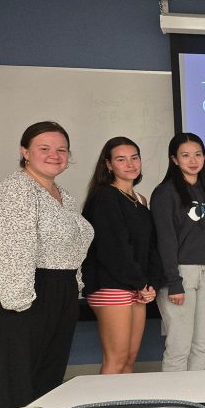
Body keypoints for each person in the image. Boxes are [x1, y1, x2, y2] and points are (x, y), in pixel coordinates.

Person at [0, 121, 95, 408]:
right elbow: (14, 248)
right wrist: (19, 304)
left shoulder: (62, 196)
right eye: (44, 148)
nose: (55, 155)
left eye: (61, 149)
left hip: (54, 292)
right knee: (10, 391)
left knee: (43, 386)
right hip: (15, 296)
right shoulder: (16, 191)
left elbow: (70, 248)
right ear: (25, 153)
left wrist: (71, 288)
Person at [152, 133, 205, 372]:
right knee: (179, 347)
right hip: (182, 273)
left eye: (198, 154)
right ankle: (175, 406)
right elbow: (165, 240)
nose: (193, 160)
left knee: (201, 346)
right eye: (185, 155)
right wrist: (173, 282)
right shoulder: (165, 193)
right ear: (174, 160)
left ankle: (195, 403)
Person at [82, 137, 161, 375]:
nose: (130, 164)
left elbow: (148, 247)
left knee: (129, 358)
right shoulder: (105, 197)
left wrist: (149, 284)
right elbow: (114, 248)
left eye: (134, 158)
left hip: (136, 285)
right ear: (108, 165)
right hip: (110, 284)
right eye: (121, 159)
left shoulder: (140, 200)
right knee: (115, 360)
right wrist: (140, 282)